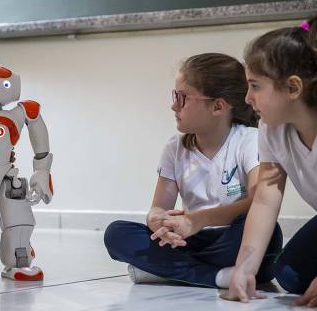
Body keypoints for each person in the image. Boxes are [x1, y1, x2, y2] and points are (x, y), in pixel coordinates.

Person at [104, 53, 282, 287]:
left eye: (182, 98)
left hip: (234, 238)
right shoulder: (174, 148)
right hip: (190, 239)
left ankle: (167, 269)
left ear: (217, 106)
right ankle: (215, 276)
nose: (173, 105)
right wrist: (158, 222)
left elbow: (258, 201)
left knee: (269, 233)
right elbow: (159, 208)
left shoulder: (248, 141)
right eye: (175, 96)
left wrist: (197, 220)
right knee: (116, 233)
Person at [223, 17, 317, 306]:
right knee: (290, 275)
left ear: (293, 88)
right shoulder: (272, 127)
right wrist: (244, 268)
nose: (248, 98)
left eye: (255, 86)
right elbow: (265, 197)